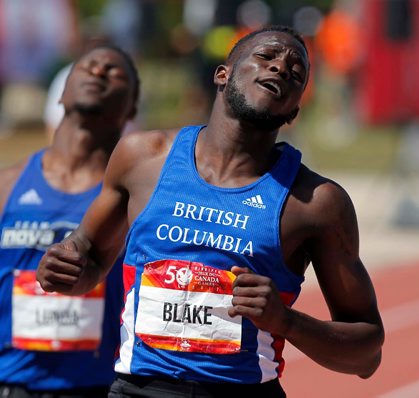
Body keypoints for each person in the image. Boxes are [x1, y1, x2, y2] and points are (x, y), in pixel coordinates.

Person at [37, 26, 384, 397]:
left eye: (296, 73)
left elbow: (366, 355)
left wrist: (286, 321)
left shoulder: (315, 202)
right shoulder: (143, 158)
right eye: (266, 57)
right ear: (223, 74)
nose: (282, 68)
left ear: (294, 110)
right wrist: (60, 270)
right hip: (140, 389)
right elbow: (87, 258)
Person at [0, 45, 139, 397]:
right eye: (88, 66)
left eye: (115, 72)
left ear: (133, 107)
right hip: (12, 383)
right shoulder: (7, 185)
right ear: (62, 91)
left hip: (102, 386)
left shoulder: (141, 197)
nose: (99, 72)